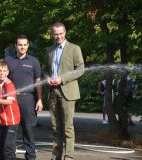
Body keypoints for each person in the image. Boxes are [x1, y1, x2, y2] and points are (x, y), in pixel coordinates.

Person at [46, 22, 84, 160]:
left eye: (61, 33)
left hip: (68, 92)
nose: (58, 36)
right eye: (55, 34)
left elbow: (80, 69)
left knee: (68, 128)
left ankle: (68, 157)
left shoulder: (74, 48)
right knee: (56, 128)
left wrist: (62, 79)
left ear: (65, 32)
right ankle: (55, 156)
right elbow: (46, 70)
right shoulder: (49, 51)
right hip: (53, 92)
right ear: (52, 34)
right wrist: (48, 78)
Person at [5, 34, 43, 160]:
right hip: (12, 100)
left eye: (25, 45)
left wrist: (40, 99)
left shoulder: (34, 61)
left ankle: (31, 156)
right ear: (15, 45)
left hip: (28, 100)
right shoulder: (8, 61)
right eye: (20, 44)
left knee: (29, 129)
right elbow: (2, 80)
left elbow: (38, 81)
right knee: (11, 130)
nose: (22, 47)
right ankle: (10, 156)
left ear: (28, 45)